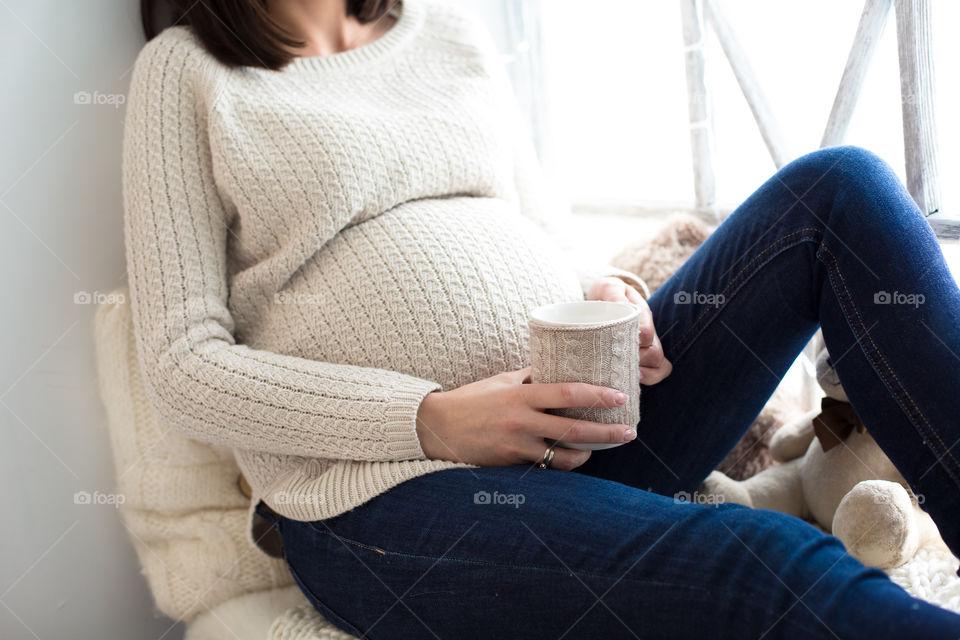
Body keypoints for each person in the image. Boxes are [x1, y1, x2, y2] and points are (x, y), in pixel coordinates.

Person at [126, 0, 960, 637]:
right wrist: (432, 422)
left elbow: (547, 236)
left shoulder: (443, 29)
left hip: (593, 427)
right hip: (386, 501)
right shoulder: (184, 73)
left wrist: (609, 295)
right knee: (768, 565)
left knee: (840, 191)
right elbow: (181, 362)